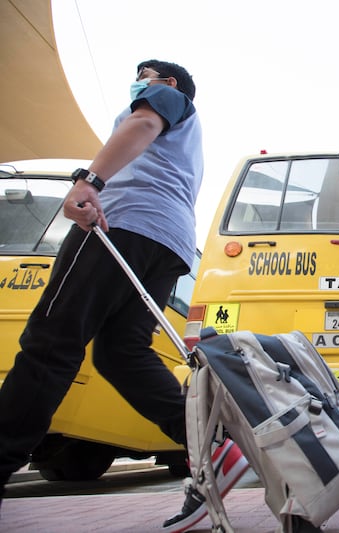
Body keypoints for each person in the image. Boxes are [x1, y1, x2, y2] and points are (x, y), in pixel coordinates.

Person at [0, 60, 248, 532]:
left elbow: (142, 121)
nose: (137, 83)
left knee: (51, 342)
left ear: (168, 83)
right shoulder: (186, 144)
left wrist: (89, 181)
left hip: (120, 225)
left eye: (144, 74)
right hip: (168, 243)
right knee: (119, 354)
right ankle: (211, 447)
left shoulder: (170, 100)